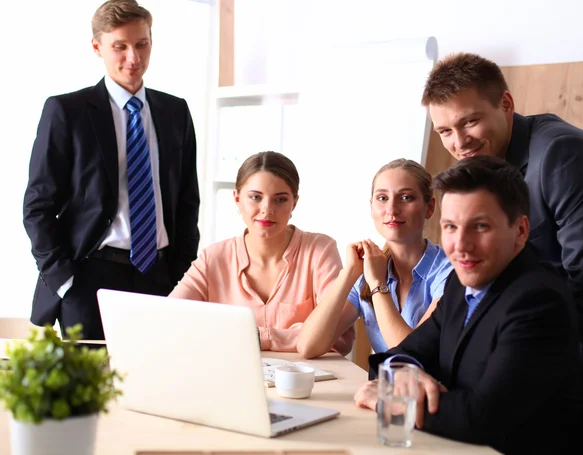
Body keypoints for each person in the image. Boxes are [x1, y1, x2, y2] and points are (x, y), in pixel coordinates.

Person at [353, 156, 583, 454]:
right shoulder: (460, 283)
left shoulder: (539, 300)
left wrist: (389, 399)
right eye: (451, 227)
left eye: (480, 227)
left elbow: (484, 416)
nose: (461, 245)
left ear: (520, 231)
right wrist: (403, 373)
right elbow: (401, 355)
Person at [421, 52, 583, 428]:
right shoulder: (483, 167)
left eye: (469, 122)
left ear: (506, 104)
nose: (459, 143)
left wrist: (579, 395)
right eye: (445, 132)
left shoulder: (563, 156)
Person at [23, 0, 200, 340]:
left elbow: (186, 199)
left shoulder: (175, 112)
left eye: (141, 44)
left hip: (160, 278)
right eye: (119, 46)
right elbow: (37, 207)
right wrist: (64, 280)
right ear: (97, 47)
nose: (133, 58)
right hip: (90, 280)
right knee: (92, 392)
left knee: (157, 387)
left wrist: (180, 271)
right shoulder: (67, 112)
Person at [169, 151, 354, 353]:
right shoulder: (212, 258)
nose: (267, 209)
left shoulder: (320, 251)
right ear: (237, 198)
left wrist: (254, 337)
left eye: (280, 199)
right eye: (256, 197)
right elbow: (169, 319)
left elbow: (338, 338)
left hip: (308, 381)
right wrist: (294, 335)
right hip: (229, 374)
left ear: (294, 202)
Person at [297, 159, 452, 358]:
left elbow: (410, 357)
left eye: (406, 197)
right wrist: (348, 274)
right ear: (371, 207)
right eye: (382, 198)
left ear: (429, 207)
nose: (392, 209)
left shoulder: (449, 273)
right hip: (382, 387)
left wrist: (378, 285)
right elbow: (308, 346)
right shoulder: (369, 269)